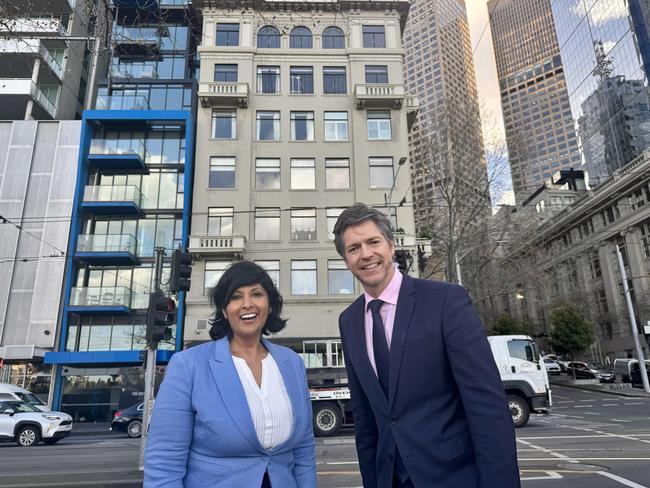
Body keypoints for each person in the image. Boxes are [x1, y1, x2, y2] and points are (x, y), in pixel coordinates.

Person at [333, 203, 520, 488]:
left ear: (391, 246)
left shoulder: (446, 301)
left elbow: (487, 406)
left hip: (455, 477)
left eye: (373, 242)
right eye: (354, 248)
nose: (366, 254)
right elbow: (365, 419)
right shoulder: (348, 322)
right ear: (346, 260)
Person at [144, 261, 317, 488]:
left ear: (270, 305)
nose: (247, 304)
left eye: (257, 294)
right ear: (224, 310)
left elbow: (304, 451)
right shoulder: (188, 365)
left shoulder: (292, 363)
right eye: (235, 297)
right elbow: (164, 462)